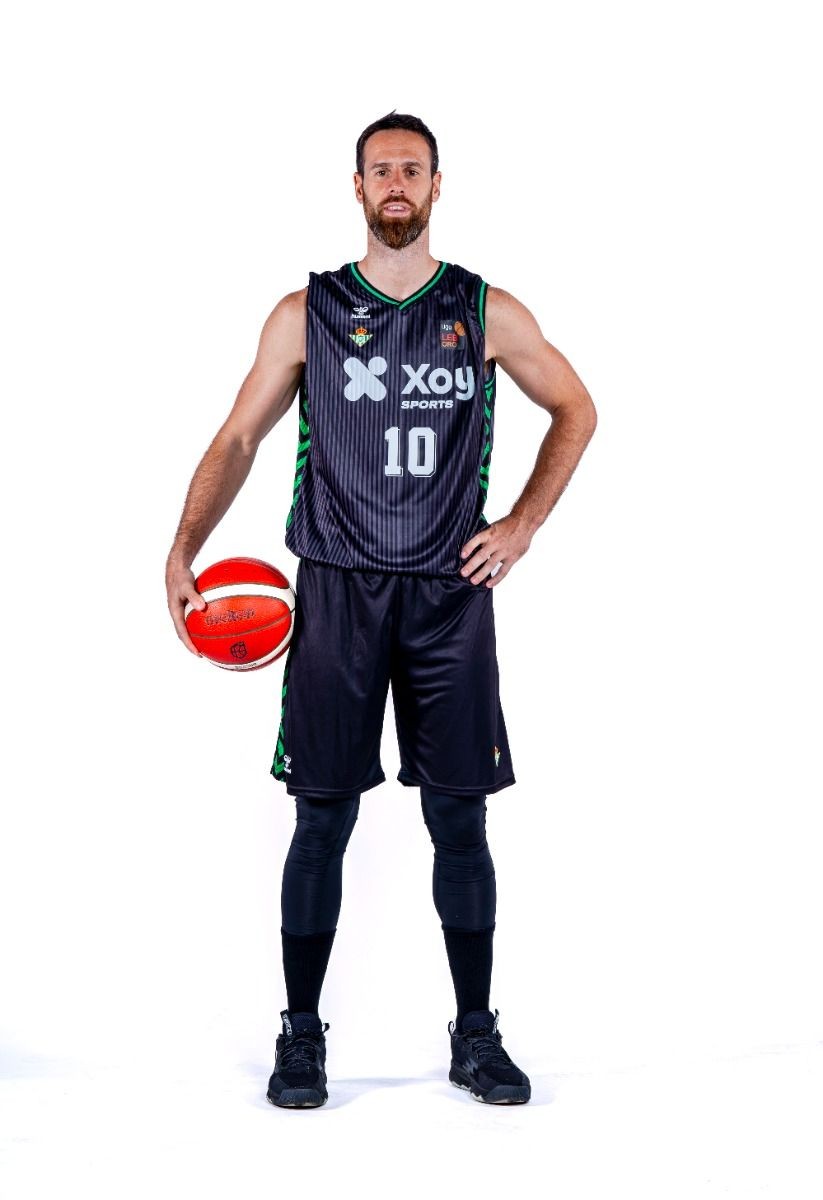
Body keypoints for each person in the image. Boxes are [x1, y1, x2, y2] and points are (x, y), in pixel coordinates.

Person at [165, 110, 597, 1109]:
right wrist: (182, 547)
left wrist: (523, 523)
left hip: (449, 595)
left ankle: (475, 1034)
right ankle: (300, 1034)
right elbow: (237, 439)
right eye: (379, 169)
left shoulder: (484, 310)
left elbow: (575, 407)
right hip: (336, 593)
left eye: (412, 168)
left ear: (436, 186)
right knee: (321, 818)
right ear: (355, 188)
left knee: (459, 820)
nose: (395, 182)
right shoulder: (303, 312)